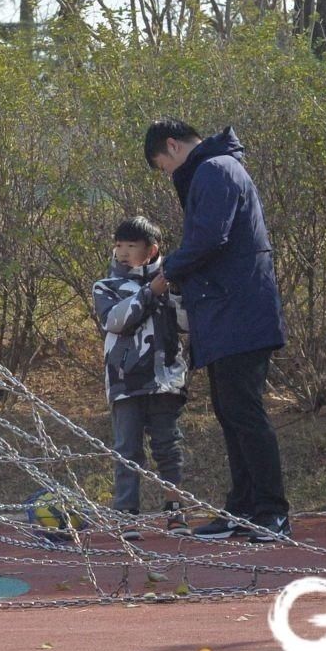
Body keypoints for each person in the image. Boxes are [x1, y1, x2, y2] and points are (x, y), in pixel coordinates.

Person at [143, 119, 290, 542]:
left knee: (245, 411)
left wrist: (166, 273)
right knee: (230, 413)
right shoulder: (215, 169)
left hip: (240, 312)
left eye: (163, 167)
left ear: (172, 146)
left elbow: (210, 238)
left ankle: (271, 511)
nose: (169, 176)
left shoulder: (214, 169)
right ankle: (243, 507)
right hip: (226, 312)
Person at [92, 215, 189, 540]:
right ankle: (126, 514)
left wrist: (175, 291)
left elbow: (187, 324)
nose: (122, 252)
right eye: (118, 245)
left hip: (165, 380)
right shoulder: (107, 286)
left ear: (151, 250)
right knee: (127, 449)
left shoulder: (171, 283)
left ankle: (176, 510)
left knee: (167, 445)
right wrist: (149, 293)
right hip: (125, 381)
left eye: (131, 246)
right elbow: (115, 321)